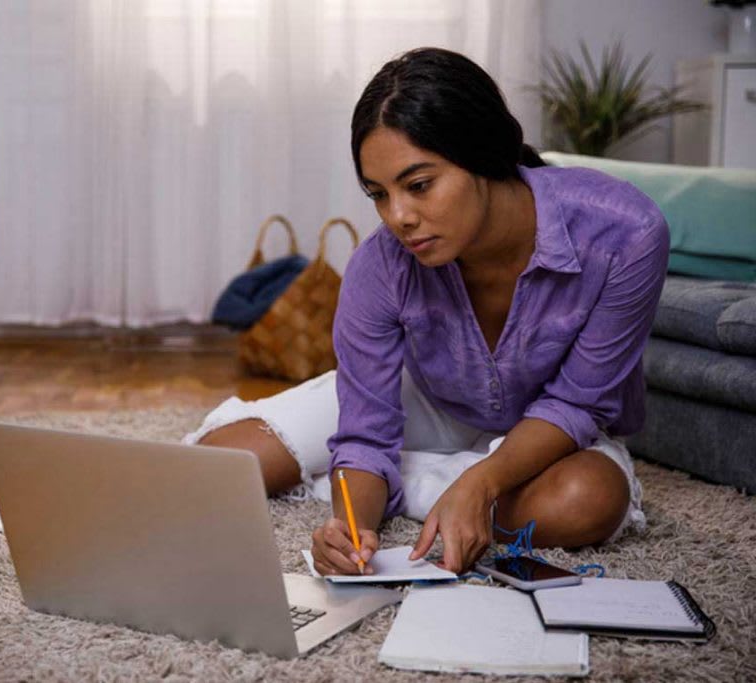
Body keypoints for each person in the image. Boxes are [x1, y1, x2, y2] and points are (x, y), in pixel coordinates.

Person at [184, 47, 669, 575]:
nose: (398, 217)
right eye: (378, 194)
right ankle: (426, 488)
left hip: (551, 426)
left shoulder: (626, 233)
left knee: (585, 502)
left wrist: (482, 480)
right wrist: (350, 525)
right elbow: (367, 434)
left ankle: (433, 484)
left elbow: (578, 403)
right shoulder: (379, 266)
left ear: (483, 154)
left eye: (419, 186)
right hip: (426, 395)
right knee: (216, 465)